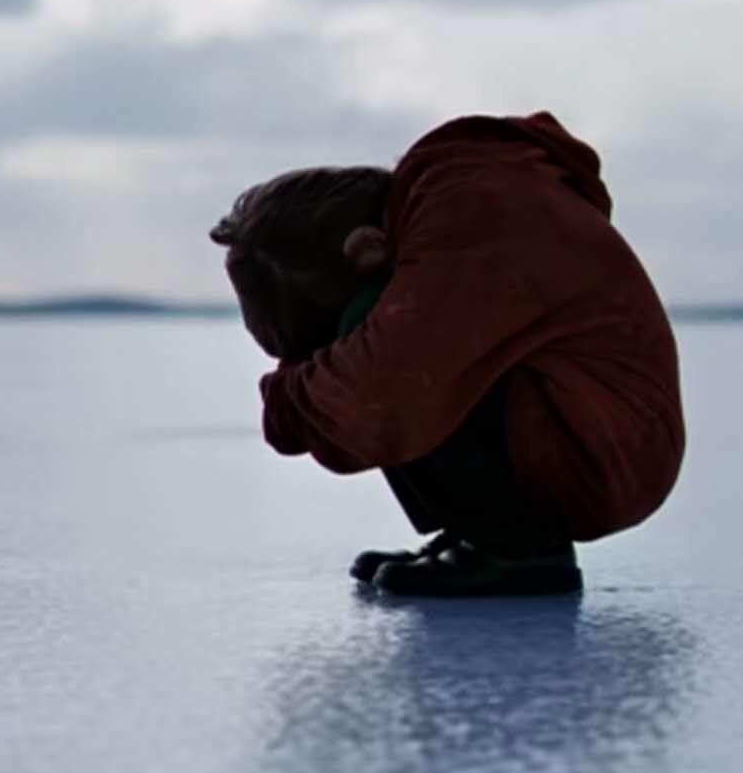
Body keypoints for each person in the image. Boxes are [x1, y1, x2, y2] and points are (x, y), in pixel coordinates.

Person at [210, 111, 686, 596]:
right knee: (391, 342)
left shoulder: (472, 208)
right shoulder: (457, 206)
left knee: (388, 347)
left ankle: (517, 549)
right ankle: (479, 535)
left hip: (605, 448)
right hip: (584, 428)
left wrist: (291, 398)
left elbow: (381, 397)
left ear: (367, 248)